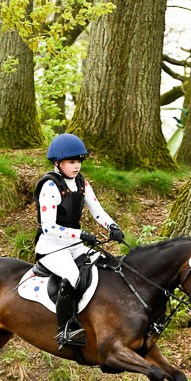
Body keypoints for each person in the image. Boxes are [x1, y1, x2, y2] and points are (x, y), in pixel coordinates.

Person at [34, 133, 125, 350]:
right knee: (72, 274)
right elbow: (49, 227)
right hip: (50, 247)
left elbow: (98, 212)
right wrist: (81, 234)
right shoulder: (49, 187)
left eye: (79, 161)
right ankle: (65, 328)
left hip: (73, 246)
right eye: (72, 162)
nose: (77, 166)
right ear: (58, 163)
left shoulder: (82, 183)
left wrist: (112, 226)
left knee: (103, 263)